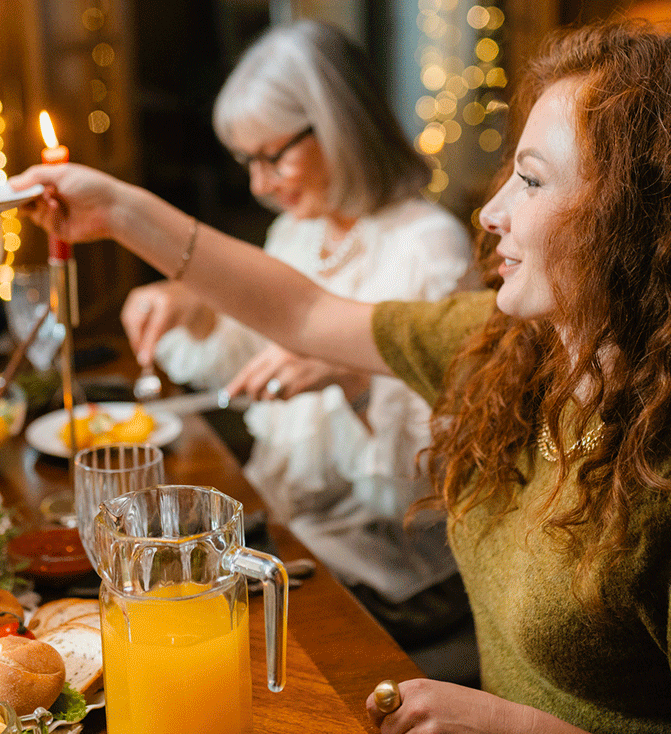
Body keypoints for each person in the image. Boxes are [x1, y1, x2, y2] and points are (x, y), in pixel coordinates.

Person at [11, 20, 671, 733]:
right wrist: (118, 210)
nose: (491, 211)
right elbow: (307, 314)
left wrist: (515, 728)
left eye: (531, 182)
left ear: (644, 224)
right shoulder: (518, 353)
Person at [119, 20, 474, 635]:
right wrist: (198, 307)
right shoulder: (298, 232)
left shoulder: (428, 248)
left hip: (385, 567)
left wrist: (355, 383)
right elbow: (251, 369)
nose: (258, 184)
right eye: (245, 161)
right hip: (284, 532)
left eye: (272, 156)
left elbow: (431, 493)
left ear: (337, 127)